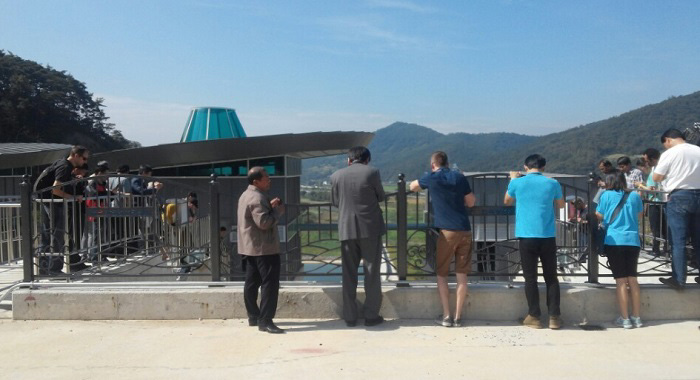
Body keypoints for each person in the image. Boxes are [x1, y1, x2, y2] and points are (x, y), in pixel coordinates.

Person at [409, 151, 475, 327]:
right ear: (447, 163)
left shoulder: (431, 178)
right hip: (465, 230)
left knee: (442, 274)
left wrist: (426, 177)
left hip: (447, 232)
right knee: (462, 276)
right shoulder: (459, 177)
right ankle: (458, 317)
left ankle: (447, 316)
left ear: (433, 165)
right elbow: (471, 202)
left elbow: (412, 187)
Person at [504, 154, 565, 329]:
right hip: (547, 236)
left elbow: (507, 201)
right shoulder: (552, 183)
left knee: (530, 278)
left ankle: (534, 316)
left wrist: (512, 180)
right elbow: (561, 205)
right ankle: (554, 317)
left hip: (526, 236)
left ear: (525, 167)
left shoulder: (517, 182)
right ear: (544, 168)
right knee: (551, 277)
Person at [331, 146, 386, 327]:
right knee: (371, 272)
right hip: (370, 229)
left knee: (348, 274)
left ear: (349, 160)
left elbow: (336, 202)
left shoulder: (336, 176)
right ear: (367, 159)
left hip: (346, 229)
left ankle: (350, 316)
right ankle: (371, 315)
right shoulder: (372, 172)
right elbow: (380, 196)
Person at [237, 167, 285, 334]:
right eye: (266, 177)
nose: (269, 180)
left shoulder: (246, 195)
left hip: (249, 248)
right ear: (256, 181)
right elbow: (264, 223)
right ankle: (265, 321)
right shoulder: (257, 198)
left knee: (251, 283)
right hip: (264, 249)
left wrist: (269, 207)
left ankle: (254, 316)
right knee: (270, 284)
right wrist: (277, 212)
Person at [596, 171, 644, 329]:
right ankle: (637, 317)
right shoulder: (635, 196)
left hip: (614, 240)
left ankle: (625, 319)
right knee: (633, 279)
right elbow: (640, 215)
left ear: (609, 182)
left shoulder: (606, 196)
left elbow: (599, 214)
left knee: (621, 280)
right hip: (633, 240)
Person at [653, 129, 700, 290]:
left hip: (679, 196)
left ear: (667, 140)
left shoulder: (671, 153)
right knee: (698, 240)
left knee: (677, 241)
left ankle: (679, 280)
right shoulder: (698, 150)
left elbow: (656, 177)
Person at [33, 145, 89, 275]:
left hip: (45, 200)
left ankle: (43, 267)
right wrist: (73, 197)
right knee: (58, 235)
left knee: (47, 235)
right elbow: (56, 189)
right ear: (76, 156)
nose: (85, 162)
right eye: (84, 158)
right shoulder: (65, 166)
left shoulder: (61, 162)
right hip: (54, 202)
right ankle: (54, 269)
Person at [637, 148, 667, 256]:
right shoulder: (655, 169)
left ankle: (657, 249)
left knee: (657, 227)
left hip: (656, 202)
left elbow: (652, 189)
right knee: (660, 227)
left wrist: (640, 185)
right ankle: (662, 248)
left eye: (646, 160)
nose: (646, 162)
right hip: (656, 201)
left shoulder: (657, 170)